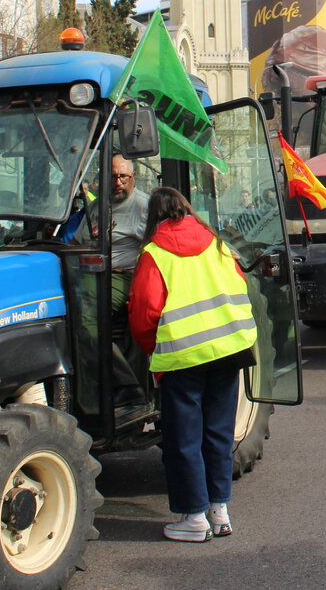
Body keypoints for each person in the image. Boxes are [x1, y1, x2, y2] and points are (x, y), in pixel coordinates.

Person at [129, 187, 257, 543]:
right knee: (217, 433)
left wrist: (151, 352)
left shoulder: (154, 254)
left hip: (183, 358)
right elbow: (240, 285)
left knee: (185, 440)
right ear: (187, 209)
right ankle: (220, 511)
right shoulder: (217, 244)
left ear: (152, 217)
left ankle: (194, 517)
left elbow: (145, 314)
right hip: (228, 350)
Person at [91, 154, 151, 405]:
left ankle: (128, 384)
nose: (118, 182)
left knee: (86, 315)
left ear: (133, 177)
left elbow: (154, 248)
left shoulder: (143, 206)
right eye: (113, 176)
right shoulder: (97, 207)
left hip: (124, 276)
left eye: (123, 176)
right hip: (93, 275)